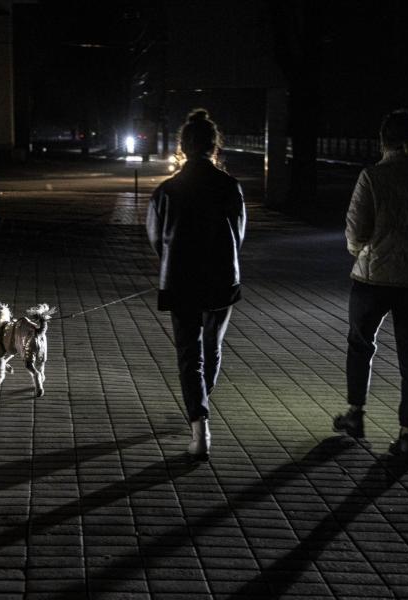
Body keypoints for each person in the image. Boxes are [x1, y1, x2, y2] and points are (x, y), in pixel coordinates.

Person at [332, 109, 408, 463]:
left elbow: (355, 233)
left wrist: (365, 251)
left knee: (360, 344)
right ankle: (406, 436)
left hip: (373, 280)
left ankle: (355, 414)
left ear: (383, 141)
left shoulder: (372, 177)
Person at [147, 109, 247, 462]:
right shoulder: (230, 186)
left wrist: (173, 257)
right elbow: (239, 232)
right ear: (214, 146)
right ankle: (201, 405)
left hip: (180, 280)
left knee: (189, 356)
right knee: (212, 349)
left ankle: (199, 425)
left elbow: (156, 238)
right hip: (221, 278)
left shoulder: (167, 190)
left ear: (183, 147)